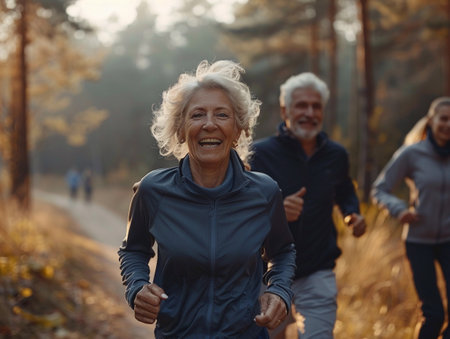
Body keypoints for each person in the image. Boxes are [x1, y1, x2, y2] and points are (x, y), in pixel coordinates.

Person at [118, 60, 296, 339]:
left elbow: (282, 253)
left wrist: (279, 291)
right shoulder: (153, 190)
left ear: (239, 130)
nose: (209, 125)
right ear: (180, 129)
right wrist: (137, 287)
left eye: (222, 115)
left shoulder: (264, 193)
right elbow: (133, 251)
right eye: (197, 115)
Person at [249, 72, 366, 338]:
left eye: (316, 106)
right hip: (267, 273)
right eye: (301, 105)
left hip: (317, 271)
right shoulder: (259, 155)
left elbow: (346, 191)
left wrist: (353, 214)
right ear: (284, 110)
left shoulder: (336, 155)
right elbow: (240, 212)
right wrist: (275, 213)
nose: (309, 112)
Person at [371, 97, 450, 339]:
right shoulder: (412, 153)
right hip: (418, 243)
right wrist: (399, 209)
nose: (448, 125)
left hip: (449, 241)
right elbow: (380, 189)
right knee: (434, 314)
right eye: (443, 119)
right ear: (431, 121)